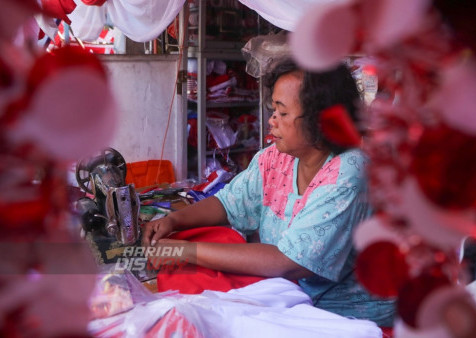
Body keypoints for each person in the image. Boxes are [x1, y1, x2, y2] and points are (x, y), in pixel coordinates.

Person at [143, 59, 395, 327]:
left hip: (345, 313)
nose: (272, 120)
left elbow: (289, 261)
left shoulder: (350, 172)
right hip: (291, 293)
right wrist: (173, 221)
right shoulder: (276, 158)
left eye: (283, 113)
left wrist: (186, 252)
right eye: (273, 109)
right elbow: (228, 204)